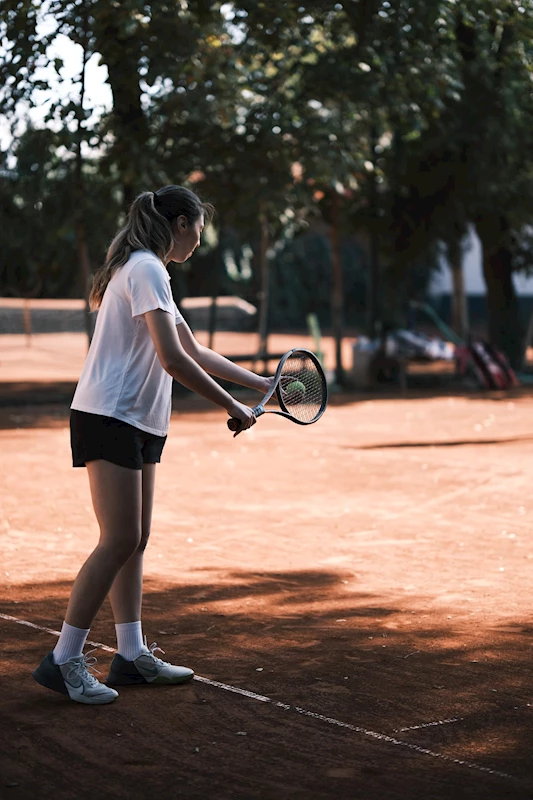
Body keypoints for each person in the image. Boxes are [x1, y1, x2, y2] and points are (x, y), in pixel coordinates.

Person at [32, 185, 268, 704]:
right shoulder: (145, 268)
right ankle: (63, 658)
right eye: (198, 231)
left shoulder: (148, 271)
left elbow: (192, 347)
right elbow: (174, 360)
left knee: (134, 539)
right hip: (109, 415)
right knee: (118, 539)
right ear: (180, 224)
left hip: (139, 419)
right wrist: (232, 408)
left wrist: (260, 385)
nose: (199, 242)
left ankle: (131, 655)